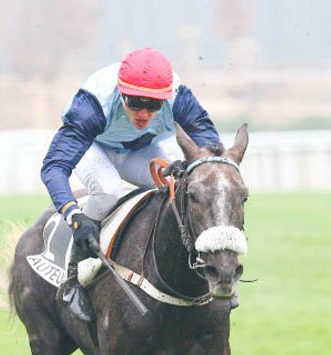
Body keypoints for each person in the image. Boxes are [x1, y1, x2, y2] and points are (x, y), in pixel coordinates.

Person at [41, 47, 221, 322]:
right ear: (120, 92)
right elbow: (54, 166)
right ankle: (73, 279)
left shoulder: (179, 98)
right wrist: (74, 215)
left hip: (140, 149)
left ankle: (211, 269)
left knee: (182, 185)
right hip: (95, 147)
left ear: (166, 98)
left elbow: (211, 150)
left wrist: (193, 166)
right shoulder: (92, 105)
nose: (144, 113)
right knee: (108, 190)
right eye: (135, 103)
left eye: (154, 105)